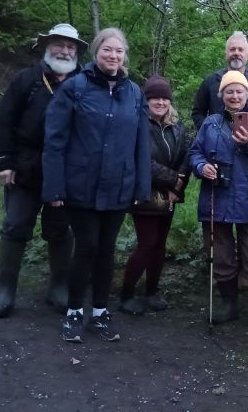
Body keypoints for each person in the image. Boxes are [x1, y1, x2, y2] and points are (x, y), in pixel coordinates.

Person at [42, 28, 151, 343]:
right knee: (86, 247)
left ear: (124, 56)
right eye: (107, 50)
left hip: (119, 186)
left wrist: (141, 187)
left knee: (107, 250)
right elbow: (55, 141)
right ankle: (75, 311)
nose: (113, 56)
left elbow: (141, 145)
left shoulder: (133, 93)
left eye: (119, 51)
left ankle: (101, 312)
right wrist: (54, 188)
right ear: (96, 52)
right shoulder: (75, 88)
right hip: (81, 186)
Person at [0, 23, 86, 318]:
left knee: (60, 230)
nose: (65, 51)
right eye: (60, 44)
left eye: (71, 47)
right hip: (25, 169)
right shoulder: (26, 80)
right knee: (16, 226)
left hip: (66, 172)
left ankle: (58, 287)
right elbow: (3, 121)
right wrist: (3, 162)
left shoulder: (83, 82)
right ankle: (5, 290)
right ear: (47, 47)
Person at [189, 70, 248, 336]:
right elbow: (195, 152)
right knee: (221, 255)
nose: (234, 95)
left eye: (239, 91)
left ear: (247, 94)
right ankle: (229, 304)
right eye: (229, 91)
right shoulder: (211, 123)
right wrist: (201, 166)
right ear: (222, 96)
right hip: (216, 197)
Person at [119, 75, 191, 315]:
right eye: (154, 98)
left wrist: (176, 187)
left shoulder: (177, 127)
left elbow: (187, 156)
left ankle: (152, 291)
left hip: (169, 195)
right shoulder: (137, 124)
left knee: (159, 245)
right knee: (147, 244)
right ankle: (126, 294)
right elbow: (141, 160)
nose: (160, 102)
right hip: (144, 193)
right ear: (146, 100)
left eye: (164, 98)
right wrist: (172, 179)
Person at [191, 31, 248, 130]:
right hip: (217, 143)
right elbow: (198, 113)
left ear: (247, 55)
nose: (236, 53)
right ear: (226, 54)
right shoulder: (211, 82)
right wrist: (209, 132)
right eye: (232, 49)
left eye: (240, 50)